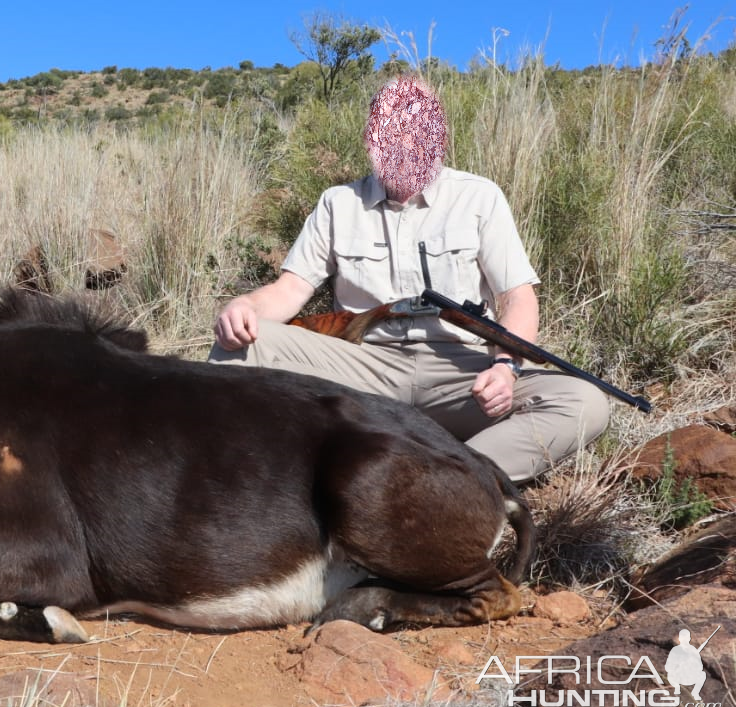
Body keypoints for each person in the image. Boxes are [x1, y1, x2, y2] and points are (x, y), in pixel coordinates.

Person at [210, 74, 608, 483]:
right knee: (238, 346)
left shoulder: (479, 197)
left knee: (583, 402)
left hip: (460, 370)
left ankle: (443, 482)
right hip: (363, 367)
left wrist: (505, 367)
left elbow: (518, 298)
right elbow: (291, 288)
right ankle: (251, 485)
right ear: (371, 137)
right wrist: (245, 307)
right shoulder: (337, 203)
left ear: (439, 135)